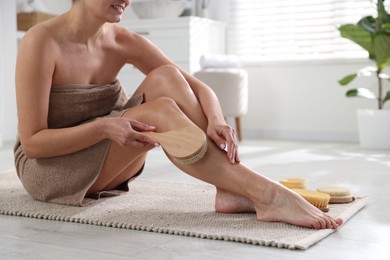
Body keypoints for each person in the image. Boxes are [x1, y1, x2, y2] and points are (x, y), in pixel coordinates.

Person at [14, 0, 343, 229]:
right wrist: (103, 127)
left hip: (107, 153)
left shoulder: (123, 40)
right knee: (161, 110)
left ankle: (230, 189)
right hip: (50, 170)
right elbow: (33, 144)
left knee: (167, 78)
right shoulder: (41, 41)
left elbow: (199, 87)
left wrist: (216, 120)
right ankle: (267, 194)